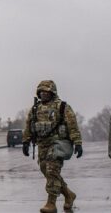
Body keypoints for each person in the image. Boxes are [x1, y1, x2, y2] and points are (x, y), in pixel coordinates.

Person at [22, 80, 83, 213]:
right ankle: (68, 195)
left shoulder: (62, 107)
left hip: (57, 145)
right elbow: (28, 126)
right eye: (41, 91)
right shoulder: (35, 108)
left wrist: (77, 142)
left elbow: (72, 126)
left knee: (52, 171)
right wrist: (25, 142)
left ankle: (51, 203)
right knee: (47, 171)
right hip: (42, 145)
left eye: (46, 91)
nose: (44, 93)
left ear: (52, 92)